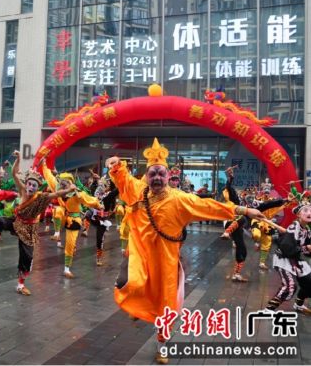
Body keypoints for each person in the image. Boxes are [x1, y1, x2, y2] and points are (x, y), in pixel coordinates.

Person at [107, 138, 265, 364]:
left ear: (168, 175)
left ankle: (162, 345)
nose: (157, 178)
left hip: (166, 259)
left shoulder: (181, 199)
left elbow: (210, 206)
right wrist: (114, 164)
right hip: (139, 255)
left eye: (161, 173)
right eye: (153, 174)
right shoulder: (138, 191)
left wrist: (245, 210)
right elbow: (123, 179)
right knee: (132, 282)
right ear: (147, 176)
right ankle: (139, 306)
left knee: (166, 303)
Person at [10, 151, 75, 295]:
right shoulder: (22, 190)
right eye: (29, 184)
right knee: (0, 222)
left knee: (27, 257)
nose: (31, 187)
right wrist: (19, 158)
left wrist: (69, 189)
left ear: (38, 187)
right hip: (17, 222)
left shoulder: (41, 197)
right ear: (26, 183)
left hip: (29, 229)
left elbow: (56, 194)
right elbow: (14, 174)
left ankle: (20, 285)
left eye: (34, 185)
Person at [42, 162, 102, 278]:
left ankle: (66, 268)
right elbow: (49, 176)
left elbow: (90, 200)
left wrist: (99, 205)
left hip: (74, 218)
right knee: (57, 210)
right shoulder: (57, 187)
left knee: (70, 244)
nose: (63, 185)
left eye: (66, 183)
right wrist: (44, 163)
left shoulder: (77, 194)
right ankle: (57, 233)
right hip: (63, 215)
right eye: (62, 183)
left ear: (70, 184)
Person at [265, 196, 311, 315]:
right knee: (290, 286)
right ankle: (268, 310)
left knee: (309, 282)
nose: (309, 212)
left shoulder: (307, 230)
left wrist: (307, 249)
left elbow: (305, 251)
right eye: (305, 210)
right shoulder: (293, 227)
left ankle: (298, 305)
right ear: (298, 215)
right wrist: (305, 248)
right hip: (284, 259)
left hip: (296, 260)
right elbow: (287, 248)